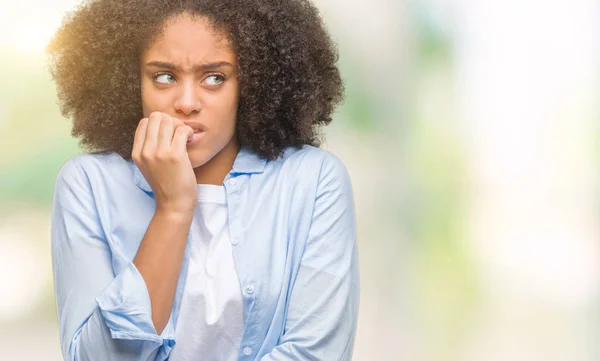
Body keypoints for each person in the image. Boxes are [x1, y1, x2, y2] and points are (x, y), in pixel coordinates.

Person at [47, 0, 359, 360]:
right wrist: (173, 209)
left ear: (254, 81)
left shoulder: (313, 181)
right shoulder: (87, 185)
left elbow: (315, 353)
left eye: (215, 78)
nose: (187, 102)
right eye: (164, 76)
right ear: (131, 81)